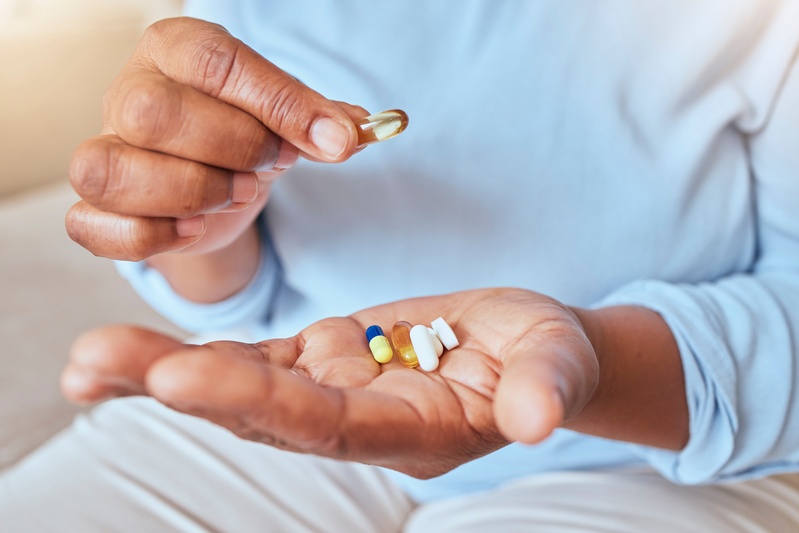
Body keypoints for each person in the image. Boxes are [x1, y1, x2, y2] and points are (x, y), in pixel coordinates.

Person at [3, 1, 799, 531]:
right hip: (298, 400)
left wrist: (593, 359)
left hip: (664, 451)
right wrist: (199, 223)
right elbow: (237, 296)